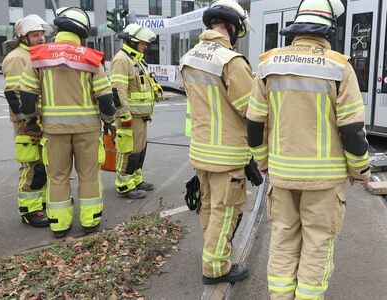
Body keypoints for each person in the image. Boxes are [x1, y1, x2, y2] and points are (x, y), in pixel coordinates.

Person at [246, 0, 371, 298]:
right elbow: (352, 130)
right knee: (317, 244)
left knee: (283, 240)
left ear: (296, 27)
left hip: (282, 173)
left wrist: (262, 161)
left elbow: (253, 123)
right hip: (324, 181)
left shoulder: (268, 64)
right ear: (329, 29)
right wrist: (360, 169)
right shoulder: (340, 67)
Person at [18, 7, 116, 238]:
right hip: (87, 131)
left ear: (59, 28)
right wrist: (110, 122)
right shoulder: (92, 58)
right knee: (89, 175)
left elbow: (27, 99)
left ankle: (59, 224)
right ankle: (90, 220)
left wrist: (31, 122)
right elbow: (105, 99)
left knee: (57, 177)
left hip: (53, 131)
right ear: (81, 31)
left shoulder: (38, 56)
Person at [179, 0, 255, 285]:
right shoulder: (230, 60)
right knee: (227, 211)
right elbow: (251, 109)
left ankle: (214, 253)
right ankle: (216, 267)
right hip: (227, 154)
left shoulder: (189, 57)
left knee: (210, 207)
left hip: (201, 150)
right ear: (233, 27)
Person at [1, 14, 51, 227]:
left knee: (42, 165)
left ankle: (41, 202)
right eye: (35, 35)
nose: (41, 38)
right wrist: (30, 124)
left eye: (42, 34)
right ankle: (29, 210)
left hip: (39, 121)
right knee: (31, 166)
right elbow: (15, 95)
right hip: (27, 123)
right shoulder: (17, 58)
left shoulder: (35, 55)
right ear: (23, 37)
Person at [109, 23, 161, 199]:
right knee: (129, 151)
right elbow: (117, 90)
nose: (145, 46)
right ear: (132, 42)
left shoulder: (136, 59)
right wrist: (124, 115)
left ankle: (136, 180)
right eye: (142, 43)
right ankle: (124, 184)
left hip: (141, 116)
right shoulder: (121, 60)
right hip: (130, 116)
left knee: (140, 150)